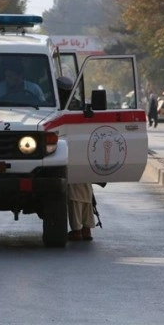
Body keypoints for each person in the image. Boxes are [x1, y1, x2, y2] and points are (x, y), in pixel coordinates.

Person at [56, 76, 95, 241]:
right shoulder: (79, 105)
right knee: (86, 191)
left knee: (74, 194)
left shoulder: (60, 107)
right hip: (83, 152)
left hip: (70, 153)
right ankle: (86, 228)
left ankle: (78, 229)